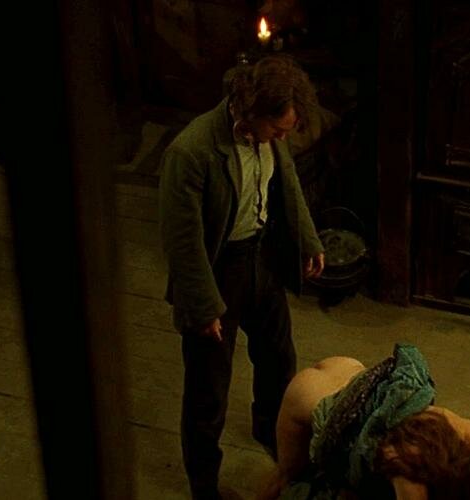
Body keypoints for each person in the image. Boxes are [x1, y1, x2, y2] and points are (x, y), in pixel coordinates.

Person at [158, 55, 326, 500]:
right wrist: (202, 307)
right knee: (208, 389)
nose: (283, 138)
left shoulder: (270, 136)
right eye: (278, 129)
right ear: (250, 111)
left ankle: (270, 428)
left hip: (261, 258)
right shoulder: (192, 151)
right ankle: (204, 484)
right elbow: (182, 242)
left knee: (278, 359)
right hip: (218, 270)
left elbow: (286, 184)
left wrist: (308, 241)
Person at [261, 345, 470, 500]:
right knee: (286, 479)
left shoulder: (450, 429)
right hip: (304, 398)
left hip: (350, 370)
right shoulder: (411, 480)